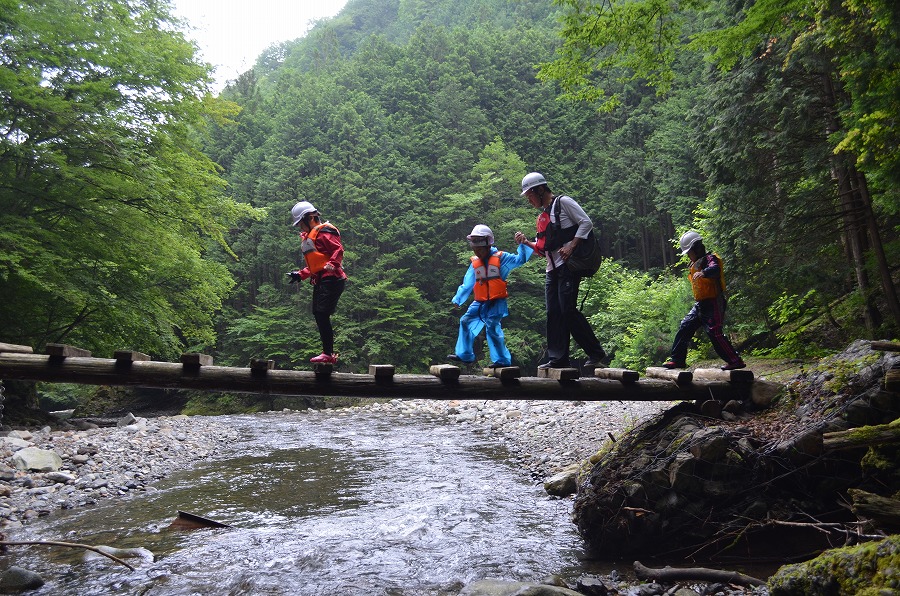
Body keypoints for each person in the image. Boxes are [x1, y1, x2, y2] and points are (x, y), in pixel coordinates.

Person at [514, 172, 608, 369]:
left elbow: (586, 222)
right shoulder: (544, 216)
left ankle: (596, 352)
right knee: (553, 312)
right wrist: (526, 242)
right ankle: (558, 359)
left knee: (567, 310)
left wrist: (571, 246)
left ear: (540, 190)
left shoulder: (564, 203)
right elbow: (543, 250)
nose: (529, 200)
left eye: (530, 195)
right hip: (552, 270)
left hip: (568, 267)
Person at [448, 224, 533, 367]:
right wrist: (458, 299)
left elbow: (520, 260)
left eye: (479, 249)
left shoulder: (501, 258)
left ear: (488, 245)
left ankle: (502, 361)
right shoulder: (475, 262)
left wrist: (523, 244)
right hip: (480, 302)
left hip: (496, 301)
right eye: (475, 249)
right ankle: (465, 355)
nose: (477, 252)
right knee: (465, 321)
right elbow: (468, 282)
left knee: (492, 328)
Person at [662, 231, 745, 371]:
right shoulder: (696, 263)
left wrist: (704, 273)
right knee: (685, 326)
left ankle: (735, 360)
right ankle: (677, 360)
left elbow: (716, 269)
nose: (688, 255)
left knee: (714, 332)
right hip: (701, 304)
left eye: (689, 252)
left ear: (697, 248)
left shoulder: (710, 259)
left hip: (714, 302)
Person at [287, 200, 347, 365]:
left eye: (301, 223)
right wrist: (301, 275)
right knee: (318, 314)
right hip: (322, 279)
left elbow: (338, 250)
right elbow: (316, 265)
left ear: (310, 218)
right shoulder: (311, 236)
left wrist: (333, 264)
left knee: (321, 314)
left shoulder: (324, 232)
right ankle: (327, 353)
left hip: (333, 279)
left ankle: (328, 353)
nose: (300, 227)